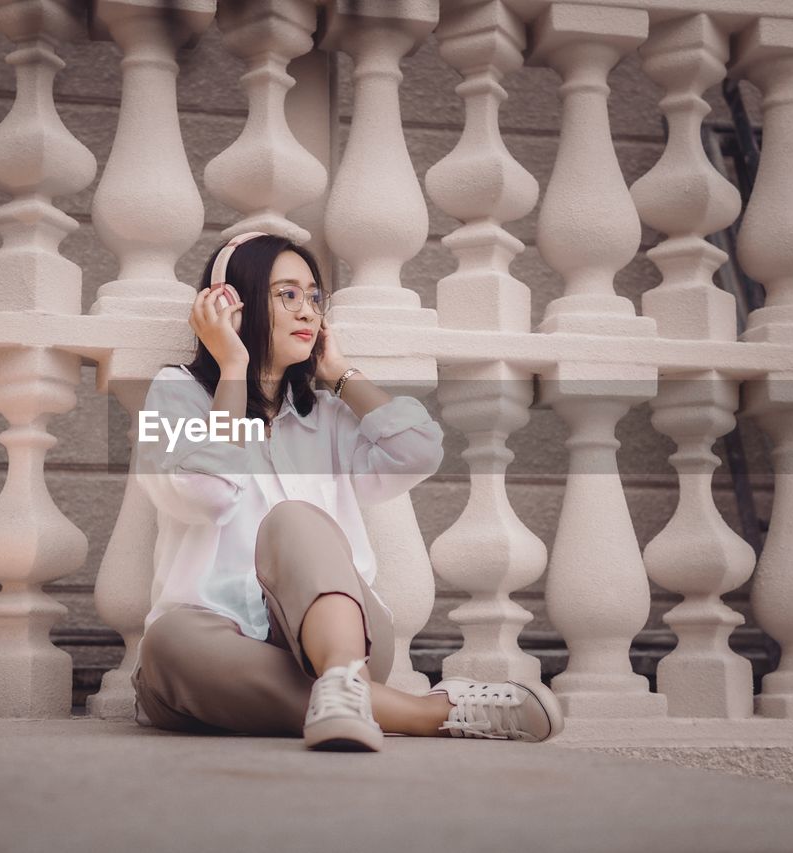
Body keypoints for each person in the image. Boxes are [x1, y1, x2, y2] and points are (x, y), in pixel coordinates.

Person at [129, 231, 563, 751]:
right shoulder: (174, 393)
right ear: (231, 304)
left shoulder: (327, 416)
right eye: (287, 294)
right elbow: (208, 494)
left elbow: (419, 451)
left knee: (295, 520)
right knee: (169, 644)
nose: (308, 311)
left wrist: (340, 374)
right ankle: (422, 712)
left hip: (346, 636)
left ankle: (341, 679)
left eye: (314, 296)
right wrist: (233, 369)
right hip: (212, 649)